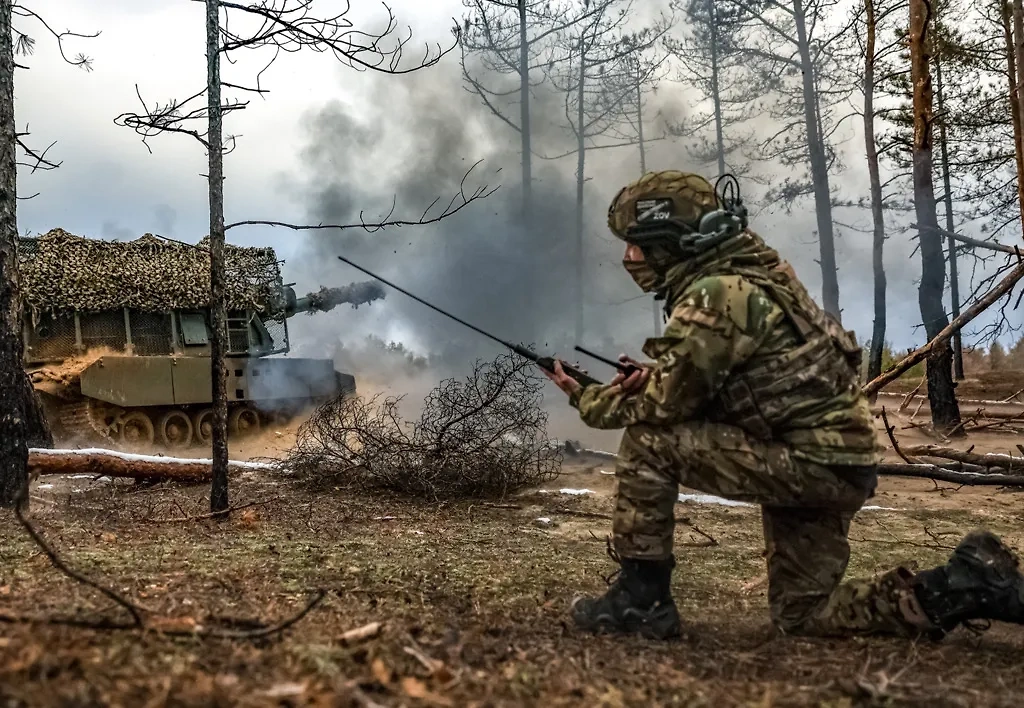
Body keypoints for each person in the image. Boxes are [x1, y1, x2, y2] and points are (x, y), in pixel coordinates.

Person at [542, 170, 1024, 641]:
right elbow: (743, 385)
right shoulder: (760, 277)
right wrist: (661, 380)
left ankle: (640, 602)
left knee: (648, 443)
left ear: (672, 241)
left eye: (638, 243)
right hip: (834, 462)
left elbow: (663, 410)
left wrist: (584, 394)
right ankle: (964, 585)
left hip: (807, 463)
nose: (629, 257)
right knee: (804, 615)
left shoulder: (717, 293)